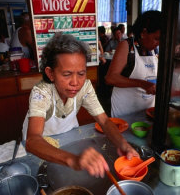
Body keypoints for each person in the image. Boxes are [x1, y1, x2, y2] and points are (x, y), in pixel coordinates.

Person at [22, 33, 139, 178]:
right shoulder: (41, 92)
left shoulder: (85, 88)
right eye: (67, 74)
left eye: (81, 73)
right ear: (50, 73)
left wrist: (123, 144)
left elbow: (104, 121)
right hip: (42, 146)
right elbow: (32, 140)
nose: (75, 82)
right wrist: (73, 159)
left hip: (68, 137)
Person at [105, 10, 162, 117]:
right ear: (143, 33)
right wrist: (143, 84)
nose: (159, 43)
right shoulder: (127, 46)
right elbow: (110, 78)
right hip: (125, 111)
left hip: (147, 109)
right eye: (156, 38)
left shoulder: (155, 51)